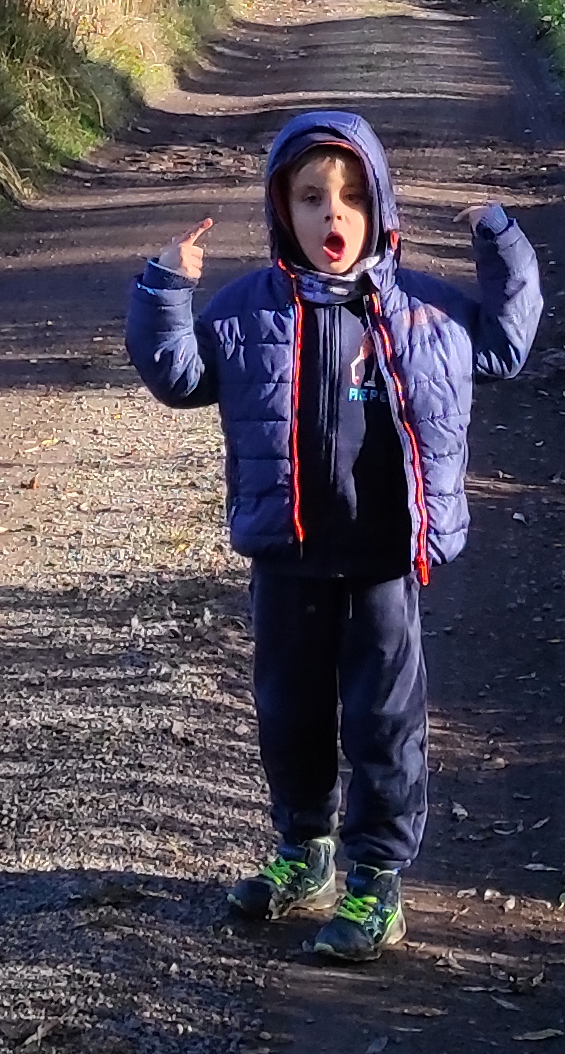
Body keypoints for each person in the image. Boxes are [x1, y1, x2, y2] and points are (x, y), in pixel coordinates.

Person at [125, 109, 543, 963]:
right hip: (289, 556)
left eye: (351, 197)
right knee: (290, 712)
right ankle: (303, 852)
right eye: (313, 198)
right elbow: (179, 378)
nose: (333, 216)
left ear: (379, 206)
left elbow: (503, 347)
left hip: (384, 558)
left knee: (384, 719)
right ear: (283, 208)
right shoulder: (248, 311)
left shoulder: (424, 309)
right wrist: (166, 290)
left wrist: (502, 245)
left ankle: (376, 880)